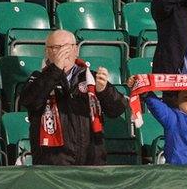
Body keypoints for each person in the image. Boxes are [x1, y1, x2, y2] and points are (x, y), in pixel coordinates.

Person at [19, 30, 128, 165]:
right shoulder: (38, 78)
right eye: (56, 48)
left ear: (76, 50)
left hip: (91, 162)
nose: (62, 52)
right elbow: (30, 101)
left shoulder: (91, 78)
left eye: (67, 47)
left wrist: (103, 91)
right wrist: (56, 69)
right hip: (53, 165)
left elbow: (118, 109)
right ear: (47, 52)